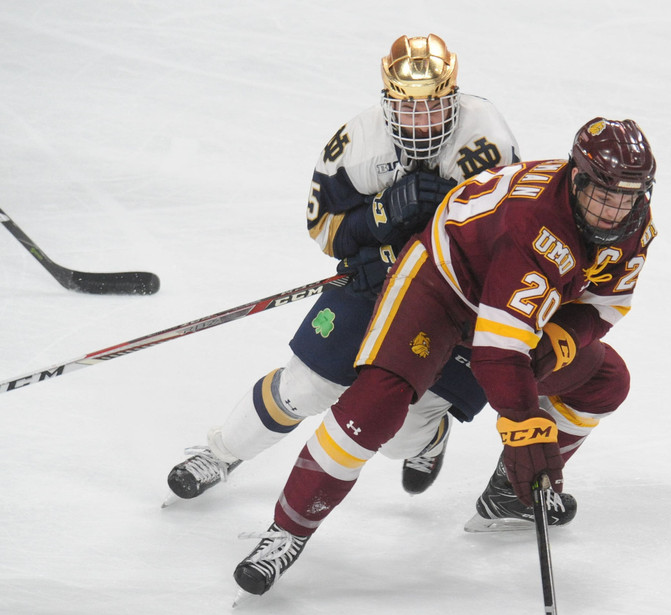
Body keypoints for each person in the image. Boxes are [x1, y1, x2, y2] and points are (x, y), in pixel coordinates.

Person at [232, 117, 657, 597]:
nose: (613, 210)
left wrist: (558, 342)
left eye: (627, 197)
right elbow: (496, 356)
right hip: (438, 285)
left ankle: (507, 499)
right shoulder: (533, 222)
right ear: (577, 176)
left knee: (604, 381)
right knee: (374, 405)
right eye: (604, 194)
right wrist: (524, 428)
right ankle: (287, 532)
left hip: (508, 304)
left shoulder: (634, 227)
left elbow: (604, 305)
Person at [165, 34, 560, 517]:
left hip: (454, 299)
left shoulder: (487, 143)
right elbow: (326, 230)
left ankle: (429, 437)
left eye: (434, 108)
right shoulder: (356, 145)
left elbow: (493, 246)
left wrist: (401, 253)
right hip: (374, 286)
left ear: (453, 98)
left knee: (402, 431)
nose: (421, 123)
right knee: (304, 385)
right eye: (408, 109)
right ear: (388, 100)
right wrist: (377, 216)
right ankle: (222, 452)